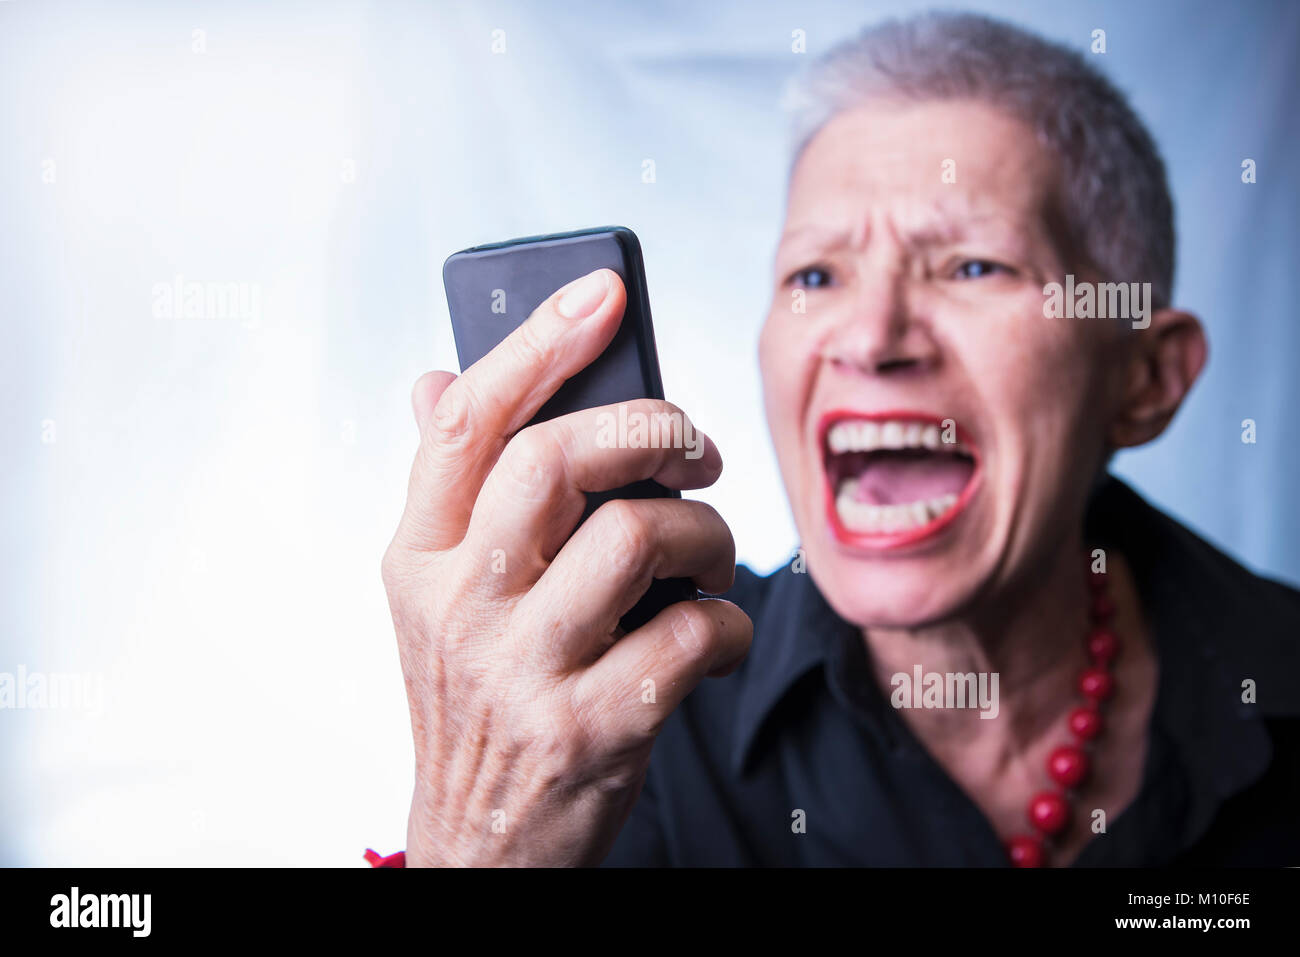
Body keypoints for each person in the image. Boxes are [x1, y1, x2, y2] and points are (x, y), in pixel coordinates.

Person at [376, 11, 1299, 867]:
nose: (870, 336)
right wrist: (469, 836)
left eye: (974, 264)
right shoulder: (620, 728)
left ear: (1146, 380)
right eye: (816, 274)